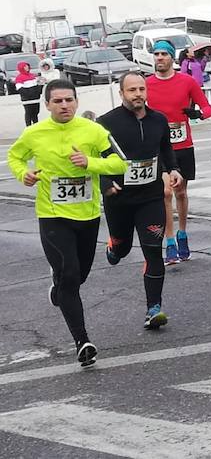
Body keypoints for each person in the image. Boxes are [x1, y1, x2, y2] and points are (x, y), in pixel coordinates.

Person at [8, 79, 127, 366]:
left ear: (76, 102)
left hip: (87, 215)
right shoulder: (34, 133)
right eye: (58, 101)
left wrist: (90, 163)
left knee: (78, 277)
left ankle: (58, 286)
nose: (64, 105)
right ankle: (82, 341)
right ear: (47, 104)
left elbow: (121, 163)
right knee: (70, 274)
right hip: (52, 215)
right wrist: (23, 173)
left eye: (69, 100)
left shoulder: (94, 130)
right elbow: (15, 156)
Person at [98, 72, 181, 330]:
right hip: (120, 199)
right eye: (132, 90)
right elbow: (98, 157)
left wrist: (174, 169)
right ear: (121, 93)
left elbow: (165, 148)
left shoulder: (159, 120)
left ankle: (153, 308)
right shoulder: (106, 123)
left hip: (150, 197)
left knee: (153, 252)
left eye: (142, 89)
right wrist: (105, 184)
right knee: (122, 250)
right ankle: (114, 245)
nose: (138, 94)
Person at [145, 39, 211, 267]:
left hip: (183, 145)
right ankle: (170, 241)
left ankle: (183, 233)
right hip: (158, 147)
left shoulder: (186, 82)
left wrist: (197, 114)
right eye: (156, 54)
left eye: (164, 54)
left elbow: (207, 108)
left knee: (181, 193)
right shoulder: (146, 84)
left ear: (172, 57)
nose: (159, 58)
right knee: (165, 192)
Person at [15, 61, 43, 126]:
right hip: (27, 99)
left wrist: (39, 90)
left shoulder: (33, 76)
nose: (27, 67)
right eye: (25, 66)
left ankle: (36, 125)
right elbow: (20, 89)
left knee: (36, 112)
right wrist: (29, 95)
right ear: (21, 68)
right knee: (28, 112)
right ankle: (28, 126)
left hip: (36, 98)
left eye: (27, 66)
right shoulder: (19, 77)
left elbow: (38, 85)